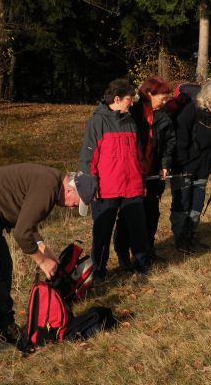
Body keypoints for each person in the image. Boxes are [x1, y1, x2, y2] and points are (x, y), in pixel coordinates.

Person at [0, 163, 83, 351]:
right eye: (77, 202)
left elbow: (26, 219)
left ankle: (4, 325)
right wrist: (42, 261)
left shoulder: (52, 182)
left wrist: (43, 248)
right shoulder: (49, 187)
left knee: (3, 268)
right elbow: (21, 233)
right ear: (70, 189)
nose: (73, 207)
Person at [79, 78, 150, 282]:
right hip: (105, 189)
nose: (132, 102)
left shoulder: (130, 121)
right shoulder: (97, 122)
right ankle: (99, 271)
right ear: (117, 99)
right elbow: (87, 157)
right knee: (102, 233)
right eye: (129, 99)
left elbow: (137, 155)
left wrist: (142, 180)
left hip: (132, 186)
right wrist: (91, 186)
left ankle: (141, 264)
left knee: (138, 229)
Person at [114, 77, 175, 267]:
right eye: (162, 98)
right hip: (131, 174)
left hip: (152, 173)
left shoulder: (164, 116)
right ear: (149, 94)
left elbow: (169, 143)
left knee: (151, 213)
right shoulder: (131, 113)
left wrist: (165, 164)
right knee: (127, 215)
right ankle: (123, 254)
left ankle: (147, 250)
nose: (165, 102)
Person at [170, 81, 211, 253]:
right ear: (207, 102)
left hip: (204, 165)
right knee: (182, 203)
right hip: (184, 165)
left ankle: (191, 236)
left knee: (197, 204)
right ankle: (180, 239)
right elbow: (181, 141)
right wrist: (184, 164)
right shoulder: (190, 111)